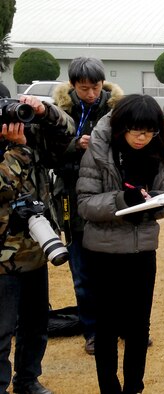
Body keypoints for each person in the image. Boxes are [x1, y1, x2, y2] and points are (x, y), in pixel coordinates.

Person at [76, 94, 164, 394]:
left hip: (142, 249)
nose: (143, 137)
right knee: (105, 327)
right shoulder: (99, 150)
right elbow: (84, 204)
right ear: (121, 127)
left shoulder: (156, 152)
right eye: (137, 130)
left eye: (151, 131)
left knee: (138, 325)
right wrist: (121, 201)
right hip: (103, 252)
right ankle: (109, 388)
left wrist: (155, 204)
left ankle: (134, 387)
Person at [0, 93, 75, 394]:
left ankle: (28, 379)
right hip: (3, 257)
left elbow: (66, 135)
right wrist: (17, 150)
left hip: (35, 246)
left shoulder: (29, 132)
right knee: (2, 329)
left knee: (35, 323)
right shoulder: (20, 146)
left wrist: (45, 112)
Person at [52, 57, 124, 355]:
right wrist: (74, 147)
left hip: (108, 197)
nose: (91, 94)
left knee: (118, 271)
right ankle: (93, 331)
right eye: (84, 89)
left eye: (95, 87)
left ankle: (122, 326)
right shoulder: (58, 112)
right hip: (71, 198)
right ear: (72, 86)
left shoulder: (116, 109)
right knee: (82, 271)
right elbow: (47, 155)